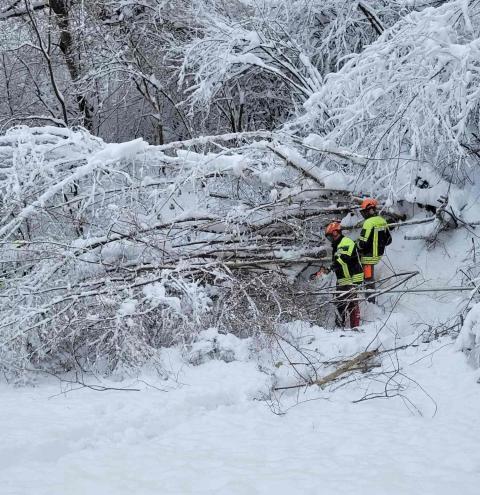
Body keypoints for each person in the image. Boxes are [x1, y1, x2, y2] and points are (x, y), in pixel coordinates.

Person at [325, 221, 364, 329]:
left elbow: (344, 258)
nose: (330, 239)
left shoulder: (346, 242)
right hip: (343, 279)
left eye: (330, 236)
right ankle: (341, 327)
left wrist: (331, 267)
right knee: (340, 303)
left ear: (335, 233)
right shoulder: (336, 246)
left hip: (353, 277)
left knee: (352, 304)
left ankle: (355, 327)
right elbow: (337, 263)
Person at [356, 198, 392, 302]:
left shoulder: (368, 223)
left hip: (367, 258)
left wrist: (356, 245)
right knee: (368, 279)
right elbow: (389, 240)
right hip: (378, 255)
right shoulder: (382, 221)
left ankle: (370, 303)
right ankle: (369, 301)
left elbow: (362, 243)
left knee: (368, 280)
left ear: (368, 210)